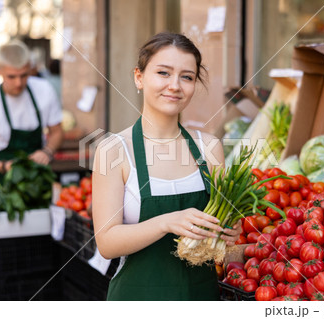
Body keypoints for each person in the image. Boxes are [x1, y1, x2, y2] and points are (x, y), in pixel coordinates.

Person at [92, 32, 242, 301]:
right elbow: (106, 243)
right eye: (163, 73)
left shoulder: (209, 147)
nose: (175, 85)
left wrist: (231, 230)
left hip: (201, 299)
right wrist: (167, 222)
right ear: (139, 77)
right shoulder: (114, 150)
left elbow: (225, 229)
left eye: (187, 77)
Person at [0, 39, 63, 188]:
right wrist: (4, 166)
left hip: (36, 180)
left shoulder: (45, 91)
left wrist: (47, 152)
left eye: (24, 75)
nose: (18, 83)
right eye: (12, 77)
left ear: (31, 68)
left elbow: (57, 132)